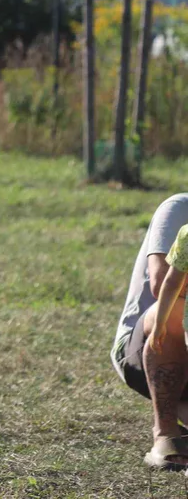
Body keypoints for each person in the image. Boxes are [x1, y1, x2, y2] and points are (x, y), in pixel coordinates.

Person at [111, 194, 188, 470]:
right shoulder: (180, 209)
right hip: (147, 345)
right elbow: (162, 284)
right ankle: (166, 433)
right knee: (172, 309)